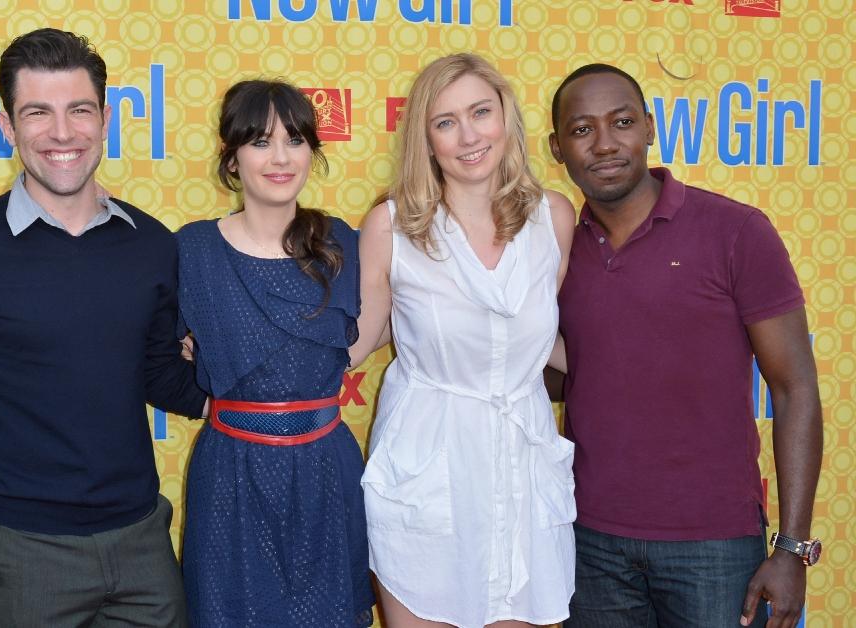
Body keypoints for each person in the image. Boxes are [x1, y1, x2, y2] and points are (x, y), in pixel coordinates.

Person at [0, 28, 207, 627]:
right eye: (38, 112)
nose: (62, 133)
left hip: (142, 540)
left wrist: (247, 366)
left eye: (79, 110)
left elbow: (163, 376)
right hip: (26, 550)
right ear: (7, 126)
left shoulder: (153, 244)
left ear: (105, 119)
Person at [548, 64, 823, 628]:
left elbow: (794, 388)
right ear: (557, 148)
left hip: (714, 545)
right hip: (588, 539)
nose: (603, 144)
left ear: (650, 127)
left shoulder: (736, 231)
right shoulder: (553, 250)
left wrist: (792, 549)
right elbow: (569, 375)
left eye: (621, 122)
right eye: (581, 130)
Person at [349, 53, 577, 627]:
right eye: (445, 121)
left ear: (507, 119)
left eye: (481, 112)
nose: (468, 135)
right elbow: (360, 338)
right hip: (427, 458)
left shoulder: (554, 218)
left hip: (523, 464)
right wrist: (239, 350)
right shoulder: (392, 225)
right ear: (425, 138)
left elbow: (547, 338)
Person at [176, 80, 374, 627]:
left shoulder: (347, 245)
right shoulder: (190, 250)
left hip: (325, 468)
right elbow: (155, 351)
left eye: (295, 139)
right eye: (260, 142)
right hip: (231, 471)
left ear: (314, 150)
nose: (281, 157)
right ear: (232, 158)